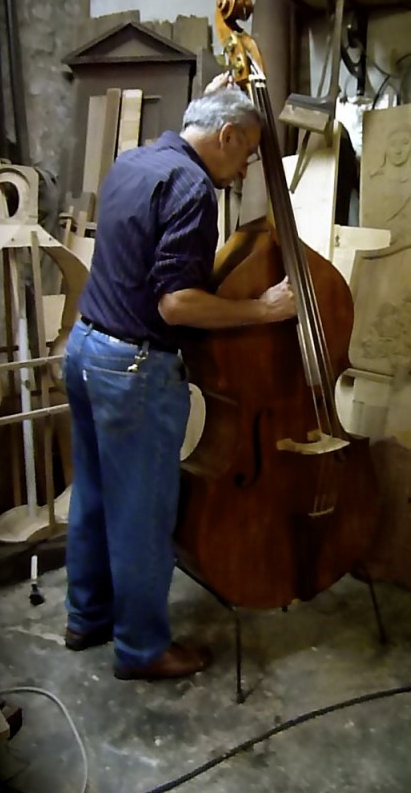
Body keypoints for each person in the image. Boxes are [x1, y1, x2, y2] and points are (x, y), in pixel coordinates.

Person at [62, 76, 297, 681]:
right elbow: (178, 304)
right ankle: (141, 649)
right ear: (228, 133)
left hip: (84, 347)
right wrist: (264, 309)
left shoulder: (135, 160)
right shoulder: (192, 187)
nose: (245, 167)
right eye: (247, 152)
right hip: (133, 367)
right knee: (142, 516)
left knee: (91, 496)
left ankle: (86, 616)